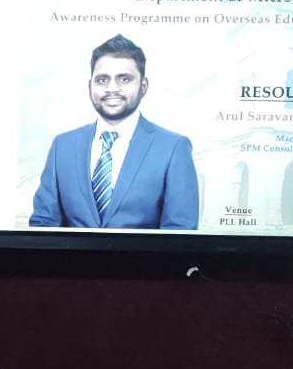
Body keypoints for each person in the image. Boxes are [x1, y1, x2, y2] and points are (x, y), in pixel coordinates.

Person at [30, 35, 199, 230]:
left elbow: (181, 233)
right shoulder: (63, 146)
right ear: (90, 86)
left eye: (124, 79)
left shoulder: (173, 148)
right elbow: (43, 225)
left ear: (143, 86)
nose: (112, 88)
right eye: (102, 80)